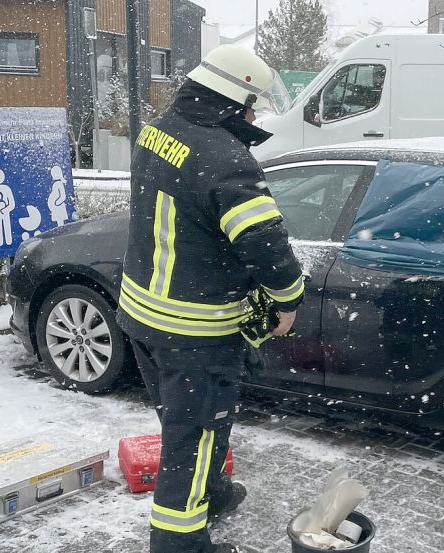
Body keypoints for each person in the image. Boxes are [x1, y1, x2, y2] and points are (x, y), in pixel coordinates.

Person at [116, 44, 305, 553]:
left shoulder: (160, 130)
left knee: (189, 422)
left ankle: (211, 492)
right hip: (195, 330)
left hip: (143, 315)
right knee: (194, 433)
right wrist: (288, 297)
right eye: (253, 108)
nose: (255, 118)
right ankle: (178, 543)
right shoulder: (226, 159)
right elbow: (264, 242)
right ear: (235, 102)